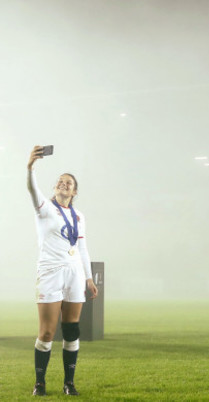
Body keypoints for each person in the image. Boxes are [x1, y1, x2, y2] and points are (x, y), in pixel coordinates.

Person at [27, 146, 99, 396]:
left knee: (71, 329)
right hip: (50, 272)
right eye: (60, 182)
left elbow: (82, 247)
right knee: (47, 331)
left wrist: (88, 277)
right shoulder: (45, 208)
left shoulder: (79, 216)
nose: (63, 184)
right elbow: (32, 189)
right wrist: (31, 168)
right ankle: (40, 383)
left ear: (75, 190)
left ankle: (69, 383)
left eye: (68, 183)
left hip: (74, 274)